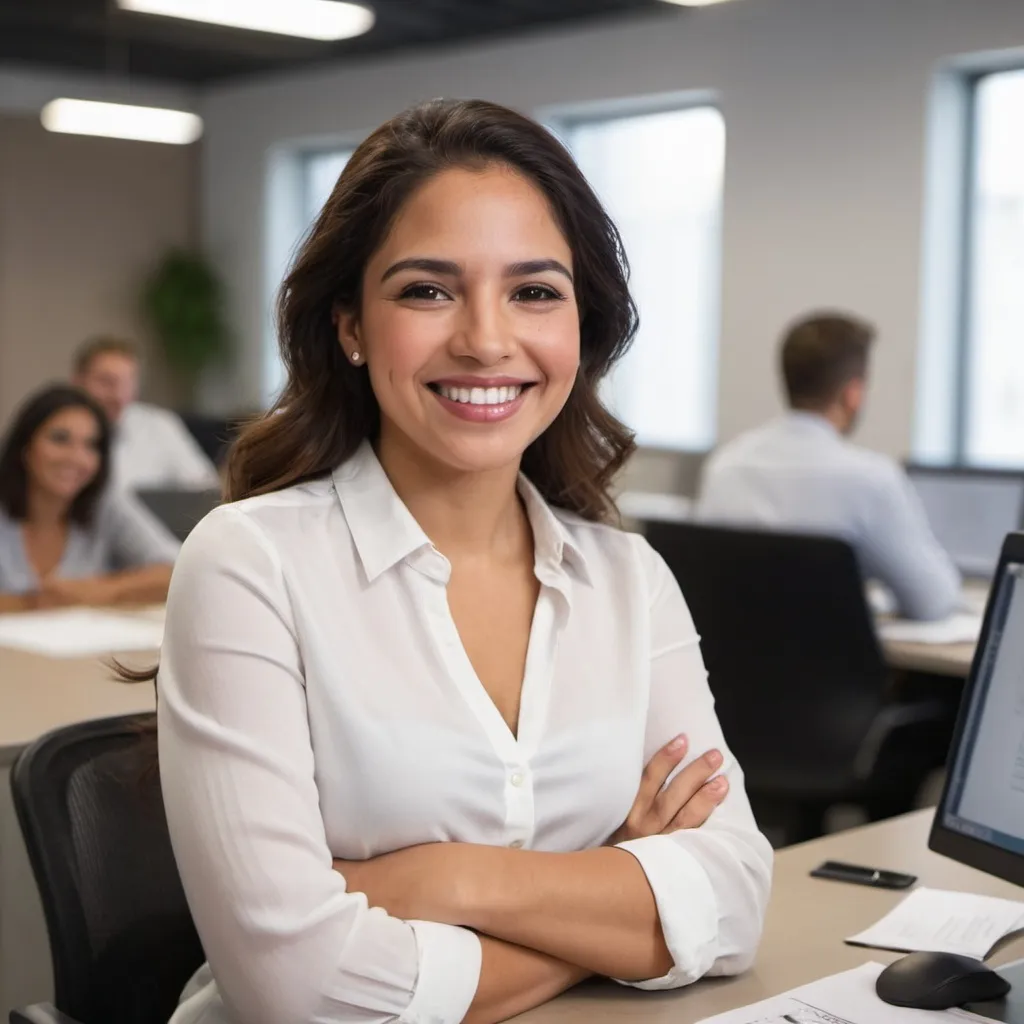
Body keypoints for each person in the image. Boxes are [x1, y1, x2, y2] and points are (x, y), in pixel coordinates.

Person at [156, 98, 772, 1024]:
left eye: (534, 291)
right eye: (427, 290)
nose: (487, 339)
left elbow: (731, 902)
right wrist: (605, 904)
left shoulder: (628, 581)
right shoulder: (250, 565)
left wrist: (443, 880)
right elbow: (298, 987)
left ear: (581, 328)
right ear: (350, 327)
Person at [696, 312, 961, 622]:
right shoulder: (870, 479)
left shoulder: (726, 466)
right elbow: (934, 600)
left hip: (731, 667)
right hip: (838, 667)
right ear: (853, 394)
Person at [0, 384, 180, 612]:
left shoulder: (104, 504)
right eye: (60, 439)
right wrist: (30, 602)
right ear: (25, 447)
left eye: (91, 445)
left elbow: (178, 569)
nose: (77, 458)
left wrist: (99, 590)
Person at [72, 335, 220, 491]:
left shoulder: (159, 424)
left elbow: (205, 487)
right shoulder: (57, 428)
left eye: (127, 383)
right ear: (78, 381)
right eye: (106, 382)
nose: (118, 396)